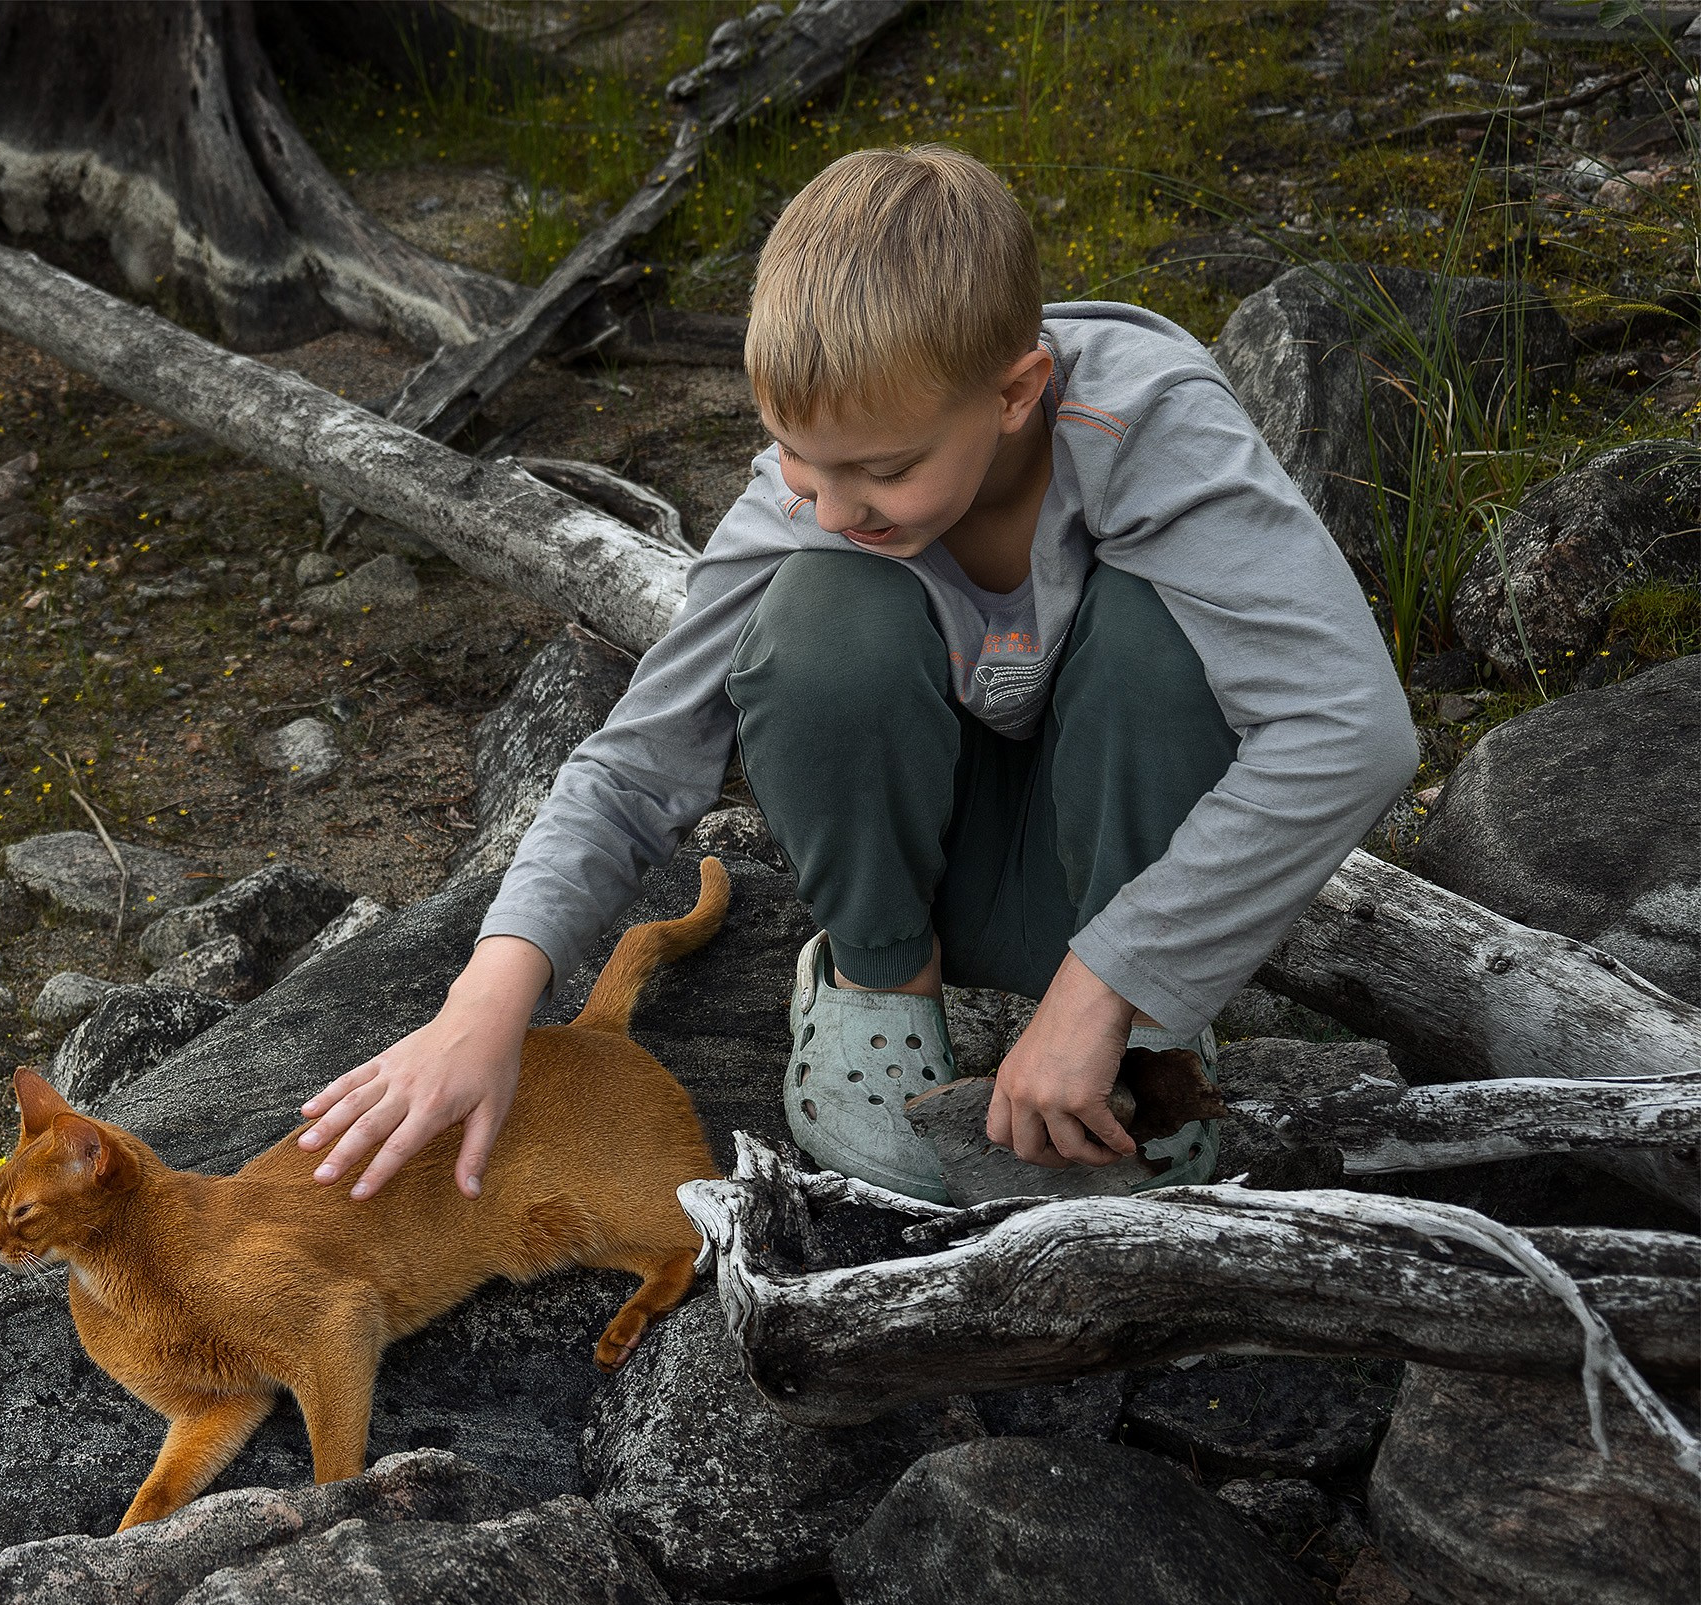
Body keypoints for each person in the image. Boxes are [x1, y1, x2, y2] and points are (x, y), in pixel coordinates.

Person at [295, 144, 1418, 1207]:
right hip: (920, 884)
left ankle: (1140, 1042)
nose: (829, 505)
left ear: (1016, 391)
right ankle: (878, 995)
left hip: (1114, 877)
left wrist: (1109, 983)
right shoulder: (816, 495)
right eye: (796, 454)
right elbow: (642, 757)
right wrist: (486, 1003)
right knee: (816, 614)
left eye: (884, 469)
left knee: (1156, 636)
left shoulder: (1147, 427)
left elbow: (1352, 730)